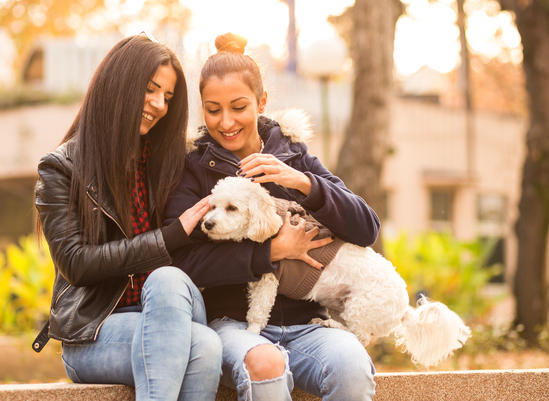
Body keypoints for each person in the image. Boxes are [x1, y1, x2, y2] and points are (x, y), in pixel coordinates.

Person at [164, 32, 381, 401]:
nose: (226, 122)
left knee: (351, 367)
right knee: (266, 363)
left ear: (261, 102)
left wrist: (303, 183)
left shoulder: (294, 154)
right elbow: (181, 261)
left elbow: (367, 227)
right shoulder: (193, 169)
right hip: (232, 324)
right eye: (213, 109)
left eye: (239, 107)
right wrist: (269, 253)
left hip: (308, 324)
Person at [31, 33, 222, 401]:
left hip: (175, 308)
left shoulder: (170, 162)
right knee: (206, 348)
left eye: (167, 96)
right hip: (96, 330)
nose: (159, 104)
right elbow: (76, 263)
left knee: (167, 283)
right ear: (119, 85)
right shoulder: (62, 168)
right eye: (150, 89)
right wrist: (168, 238)